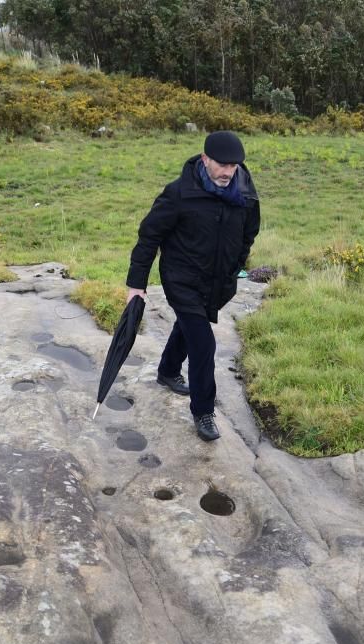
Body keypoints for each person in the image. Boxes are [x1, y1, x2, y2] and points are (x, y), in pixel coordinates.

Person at [125, 130, 260, 441]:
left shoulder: (246, 196)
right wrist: (136, 284)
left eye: (234, 166)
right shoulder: (179, 193)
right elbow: (149, 237)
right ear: (205, 160)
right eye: (222, 165)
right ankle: (204, 412)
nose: (228, 172)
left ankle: (168, 371)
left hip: (218, 283)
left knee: (189, 327)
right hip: (181, 280)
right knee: (204, 343)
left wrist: (235, 265)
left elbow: (248, 234)